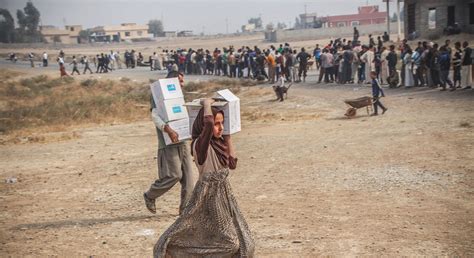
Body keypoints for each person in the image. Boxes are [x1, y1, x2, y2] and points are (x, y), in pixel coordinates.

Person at [153, 98, 255, 257]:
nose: (220, 128)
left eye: (222, 123)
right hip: (208, 194)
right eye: (216, 124)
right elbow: (207, 125)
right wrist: (206, 104)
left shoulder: (219, 143)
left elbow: (232, 164)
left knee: (243, 239)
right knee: (230, 243)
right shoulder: (201, 145)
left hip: (224, 194)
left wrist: (228, 138)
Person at [143, 72, 197, 215]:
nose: (182, 83)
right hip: (168, 143)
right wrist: (168, 129)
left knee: (189, 179)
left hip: (183, 142)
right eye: (180, 80)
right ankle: (150, 195)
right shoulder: (157, 95)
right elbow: (155, 116)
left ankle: (185, 211)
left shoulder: (178, 96)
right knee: (174, 175)